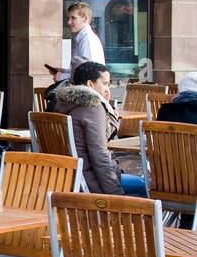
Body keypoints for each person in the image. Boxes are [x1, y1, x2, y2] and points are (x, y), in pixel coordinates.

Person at [49, 61, 146, 196]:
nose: (108, 88)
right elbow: (99, 154)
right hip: (90, 180)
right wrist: (115, 193)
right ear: (90, 84)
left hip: (67, 178)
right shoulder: (93, 107)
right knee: (145, 186)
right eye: (105, 83)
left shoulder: (64, 103)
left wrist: (109, 112)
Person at [45, 2, 105, 82]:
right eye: (68, 18)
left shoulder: (87, 39)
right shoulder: (84, 38)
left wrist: (63, 76)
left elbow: (89, 74)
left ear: (85, 18)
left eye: (73, 18)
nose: (69, 22)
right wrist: (64, 71)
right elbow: (82, 68)